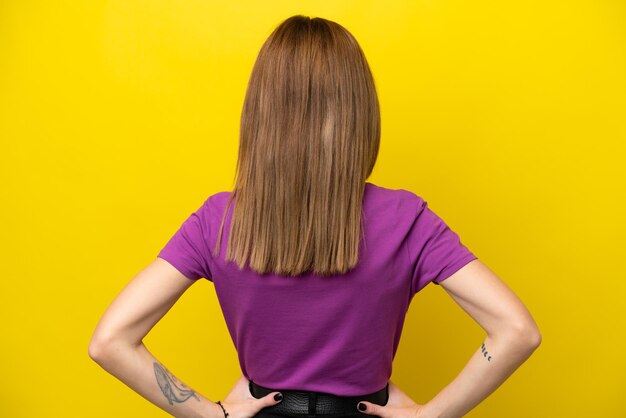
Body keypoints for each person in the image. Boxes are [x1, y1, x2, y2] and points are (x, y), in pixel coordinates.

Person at [88, 14, 541, 418]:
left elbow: (110, 341)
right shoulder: (407, 218)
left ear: (260, 113)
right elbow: (516, 331)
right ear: (358, 111)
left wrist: (212, 414)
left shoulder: (218, 220)